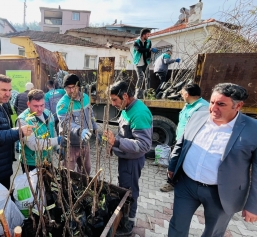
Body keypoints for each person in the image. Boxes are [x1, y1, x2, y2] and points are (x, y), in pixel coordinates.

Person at [167, 83, 257, 237]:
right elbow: (183, 142)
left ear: (238, 106)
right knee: (177, 225)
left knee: (213, 232)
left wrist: (256, 206)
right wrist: (173, 165)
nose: (213, 108)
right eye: (212, 102)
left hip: (222, 193)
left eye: (221, 104)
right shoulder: (197, 116)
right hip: (186, 185)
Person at [104, 81, 153, 236]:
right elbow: (124, 133)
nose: (113, 104)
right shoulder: (126, 108)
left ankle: (128, 224)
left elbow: (144, 145)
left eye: (114, 100)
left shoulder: (139, 113)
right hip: (125, 158)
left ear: (124, 96)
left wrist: (117, 142)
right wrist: (113, 144)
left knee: (130, 191)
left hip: (132, 161)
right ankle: (124, 216)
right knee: (125, 188)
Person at [159, 83, 208, 192]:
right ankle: (173, 179)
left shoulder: (202, 108)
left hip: (190, 141)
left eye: (182, 93)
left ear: (187, 94)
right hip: (182, 138)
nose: (181, 95)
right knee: (175, 160)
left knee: (179, 161)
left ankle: (172, 183)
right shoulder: (189, 104)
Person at [56, 74, 98, 175]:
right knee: (67, 174)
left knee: (86, 171)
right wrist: (79, 130)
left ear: (78, 86)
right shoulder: (62, 104)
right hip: (70, 145)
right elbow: (65, 123)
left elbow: (90, 114)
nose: (71, 90)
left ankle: (82, 188)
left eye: (73, 87)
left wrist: (95, 129)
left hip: (84, 143)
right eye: (68, 88)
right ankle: (67, 190)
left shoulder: (86, 97)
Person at [18, 89, 60, 172]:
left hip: (47, 159)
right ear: (28, 104)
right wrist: (57, 140)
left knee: (48, 184)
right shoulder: (23, 120)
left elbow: (53, 132)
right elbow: (33, 145)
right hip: (32, 163)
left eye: (42, 105)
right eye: (36, 106)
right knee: (34, 185)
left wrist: (57, 147)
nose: (40, 109)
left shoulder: (48, 113)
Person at [132, 28, 157, 99]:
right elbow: (139, 49)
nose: (148, 36)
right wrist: (149, 49)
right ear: (143, 35)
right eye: (148, 34)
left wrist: (149, 56)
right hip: (138, 62)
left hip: (145, 62)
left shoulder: (149, 42)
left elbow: (148, 51)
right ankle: (137, 92)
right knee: (140, 77)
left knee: (148, 78)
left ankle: (147, 93)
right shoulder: (136, 42)